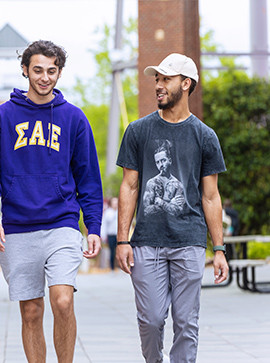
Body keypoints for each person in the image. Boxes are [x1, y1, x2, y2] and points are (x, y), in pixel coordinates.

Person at [0, 40, 103, 363]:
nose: (45, 77)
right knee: (31, 311)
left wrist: (93, 226)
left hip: (61, 222)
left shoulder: (74, 119)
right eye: (38, 70)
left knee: (62, 301)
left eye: (51, 70)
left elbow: (88, 178)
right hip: (18, 226)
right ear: (24, 70)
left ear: (59, 72)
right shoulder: (1, 118)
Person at [115, 53, 229, 363]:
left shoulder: (205, 137)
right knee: (151, 320)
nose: (158, 85)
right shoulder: (138, 131)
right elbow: (129, 186)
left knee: (186, 323)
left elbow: (211, 196)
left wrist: (218, 248)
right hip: (146, 242)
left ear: (186, 83)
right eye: (157, 79)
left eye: (166, 79)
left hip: (189, 242)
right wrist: (122, 239)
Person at [100, 197, 119, 270]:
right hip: (111, 234)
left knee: (119, 250)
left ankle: (120, 266)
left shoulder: (120, 211)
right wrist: (103, 235)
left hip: (118, 234)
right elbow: (104, 224)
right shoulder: (108, 212)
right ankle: (112, 267)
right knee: (112, 251)